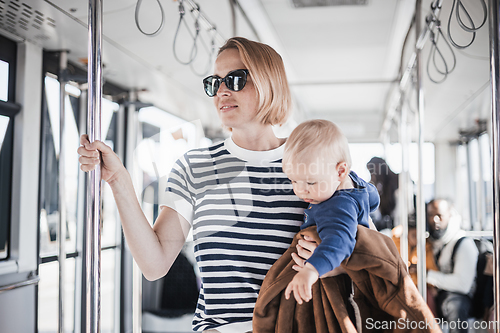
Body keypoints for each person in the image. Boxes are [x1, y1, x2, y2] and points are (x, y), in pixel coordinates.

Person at [78, 37, 317, 333]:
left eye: (236, 79)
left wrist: (331, 259)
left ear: (270, 83)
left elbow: (361, 252)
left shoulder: (310, 160)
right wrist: (118, 181)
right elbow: (155, 265)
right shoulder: (194, 167)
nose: (222, 91)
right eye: (215, 83)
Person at [281, 119, 380, 304]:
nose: (301, 191)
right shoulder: (354, 183)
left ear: (340, 171)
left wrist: (311, 270)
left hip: (334, 284)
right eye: (293, 181)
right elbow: (373, 198)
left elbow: (338, 240)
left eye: (310, 182)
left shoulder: (336, 206)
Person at [426, 199, 478, 333]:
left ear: (450, 215)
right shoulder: (432, 242)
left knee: (456, 305)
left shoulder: (464, 244)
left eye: (440, 215)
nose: (435, 220)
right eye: (431, 215)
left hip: (462, 299)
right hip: (439, 296)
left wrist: (428, 275)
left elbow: (463, 285)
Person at [366, 156, 399, 231]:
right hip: (384, 225)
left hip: (396, 224)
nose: (372, 175)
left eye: (372, 172)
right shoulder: (376, 186)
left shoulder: (396, 182)